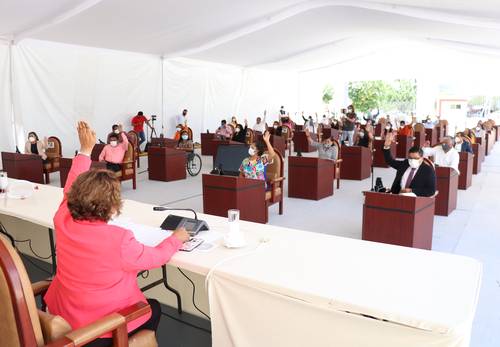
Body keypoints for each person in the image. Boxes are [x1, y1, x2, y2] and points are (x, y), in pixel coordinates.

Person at [44, 121, 190, 347]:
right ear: (113, 207)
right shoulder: (119, 240)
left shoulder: (63, 218)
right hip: (101, 330)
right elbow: (156, 257)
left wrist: (84, 150)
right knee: (155, 308)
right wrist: (175, 239)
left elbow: (70, 187)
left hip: (65, 318)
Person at [383, 132, 436, 197]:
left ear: (422, 158)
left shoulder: (428, 171)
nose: (413, 160)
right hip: (397, 196)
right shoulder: (405, 163)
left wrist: (411, 190)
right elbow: (390, 161)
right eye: (410, 158)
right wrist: (386, 146)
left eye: (416, 158)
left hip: (414, 200)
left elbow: (431, 191)